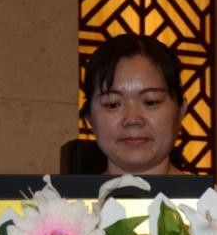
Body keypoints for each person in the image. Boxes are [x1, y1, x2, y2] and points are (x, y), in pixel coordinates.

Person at [80, 34, 188, 176]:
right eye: (112, 104)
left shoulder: (214, 192)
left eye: (151, 102)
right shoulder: (59, 192)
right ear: (90, 117)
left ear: (180, 111)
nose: (132, 119)